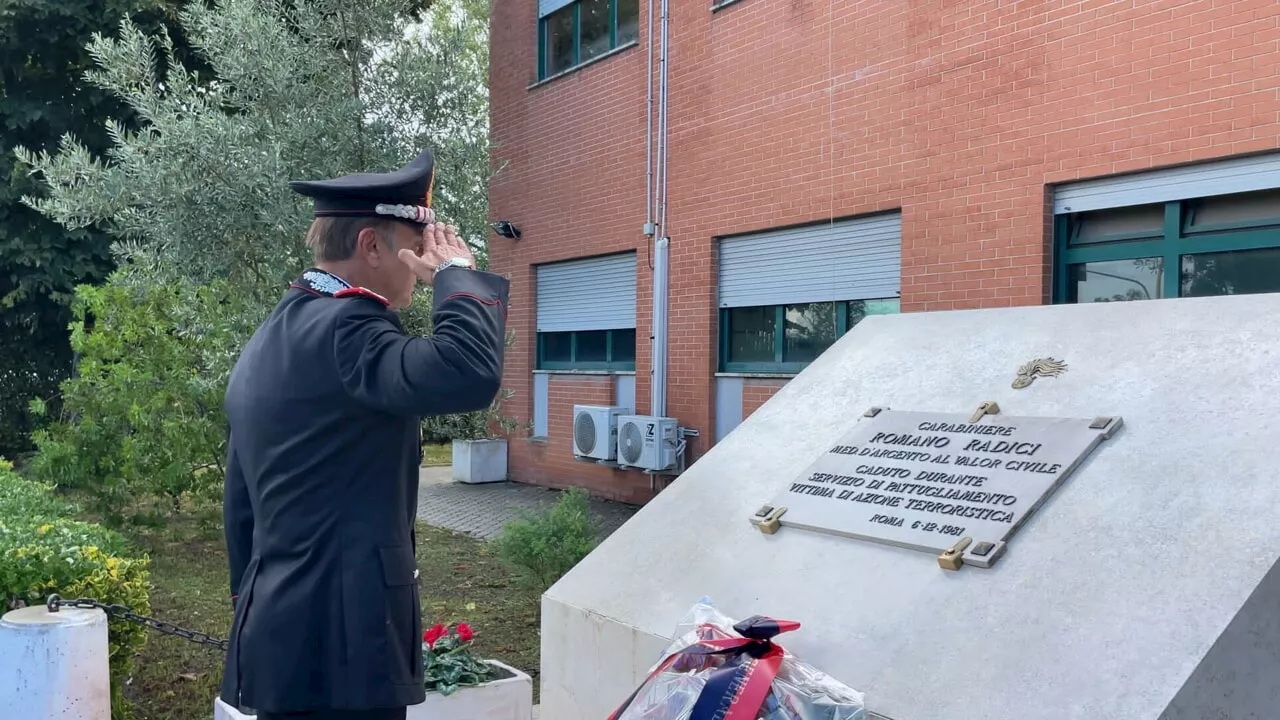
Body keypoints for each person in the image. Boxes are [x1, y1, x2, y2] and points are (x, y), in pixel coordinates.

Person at [218, 149, 509, 720]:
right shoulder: (348, 328)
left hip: (283, 632)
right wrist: (457, 278)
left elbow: (241, 501)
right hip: (344, 645)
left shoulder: (277, 331)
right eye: (417, 244)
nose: (424, 259)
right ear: (372, 245)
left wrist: (248, 603)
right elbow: (469, 373)